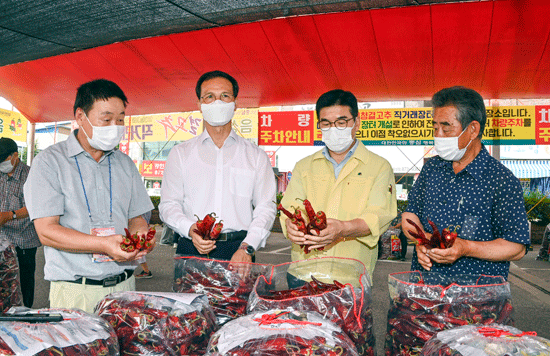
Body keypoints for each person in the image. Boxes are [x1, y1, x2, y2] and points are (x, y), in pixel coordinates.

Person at [24, 79, 155, 313]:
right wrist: (103, 244)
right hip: (76, 291)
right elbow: (46, 232)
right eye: (106, 119)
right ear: (80, 116)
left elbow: (137, 217)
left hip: (125, 287)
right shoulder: (50, 162)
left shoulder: (124, 163)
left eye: (120, 120)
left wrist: (140, 236)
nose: (114, 126)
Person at [402, 86, 529, 280]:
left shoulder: (501, 179)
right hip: (425, 290)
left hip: (477, 298)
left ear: (473, 129)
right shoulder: (432, 169)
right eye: (435, 128)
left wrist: (465, 247)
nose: (439, 136)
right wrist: (424, 242)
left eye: (447, 127)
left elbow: (516, 247)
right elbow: (410, 215)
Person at [159, 70, 277, 263]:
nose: (218, 103)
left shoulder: (255, 156)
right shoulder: (180, 153)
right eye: (209, 97)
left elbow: (266, 207)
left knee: (239, 295)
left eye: (225, 96)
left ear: (235, 103)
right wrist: (189, 229)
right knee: (191, 295)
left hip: (239, 250)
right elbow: (168, 205)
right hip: (192, 244)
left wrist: (248, 248)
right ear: (199, 104)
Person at [281, 89, 397, 279]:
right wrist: (290, 225)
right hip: (302, 273)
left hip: (349, 277)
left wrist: (343, 228)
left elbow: (379, 215)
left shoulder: (379, 167)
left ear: (357, 123)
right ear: (318, 125)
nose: (333, 128)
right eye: (326, 123)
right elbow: (290, 207)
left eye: (341, 123)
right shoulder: (304, 166)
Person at [0, 138, 41, 308]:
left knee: (25, 281)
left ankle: (26, 313)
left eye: (2, 160)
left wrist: (10, 216)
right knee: (5, 280)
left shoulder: (31, 176)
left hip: (25, 240)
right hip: (3, 240)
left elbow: (36, 207)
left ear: (14, 156)